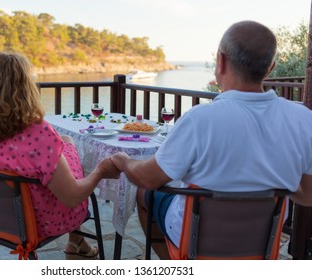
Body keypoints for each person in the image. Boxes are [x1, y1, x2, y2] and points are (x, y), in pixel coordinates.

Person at [111, 20, 312, 259]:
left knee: (145, 193)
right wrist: (275, 185)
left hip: (195, 243)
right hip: (261, 246)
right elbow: (307, 196)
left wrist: (125, 162)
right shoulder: (303, 119)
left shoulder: (200, 119)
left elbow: (148, 178)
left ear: (221, 61)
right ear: (270, 68)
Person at [0, 51, 120, 260]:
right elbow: (72, 197)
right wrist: (101, 171)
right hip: (39, 223)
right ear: (24, 88)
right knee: (68, 146)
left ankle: (77, 242)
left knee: (65, 143)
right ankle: (75, 239)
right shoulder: (37, 134)